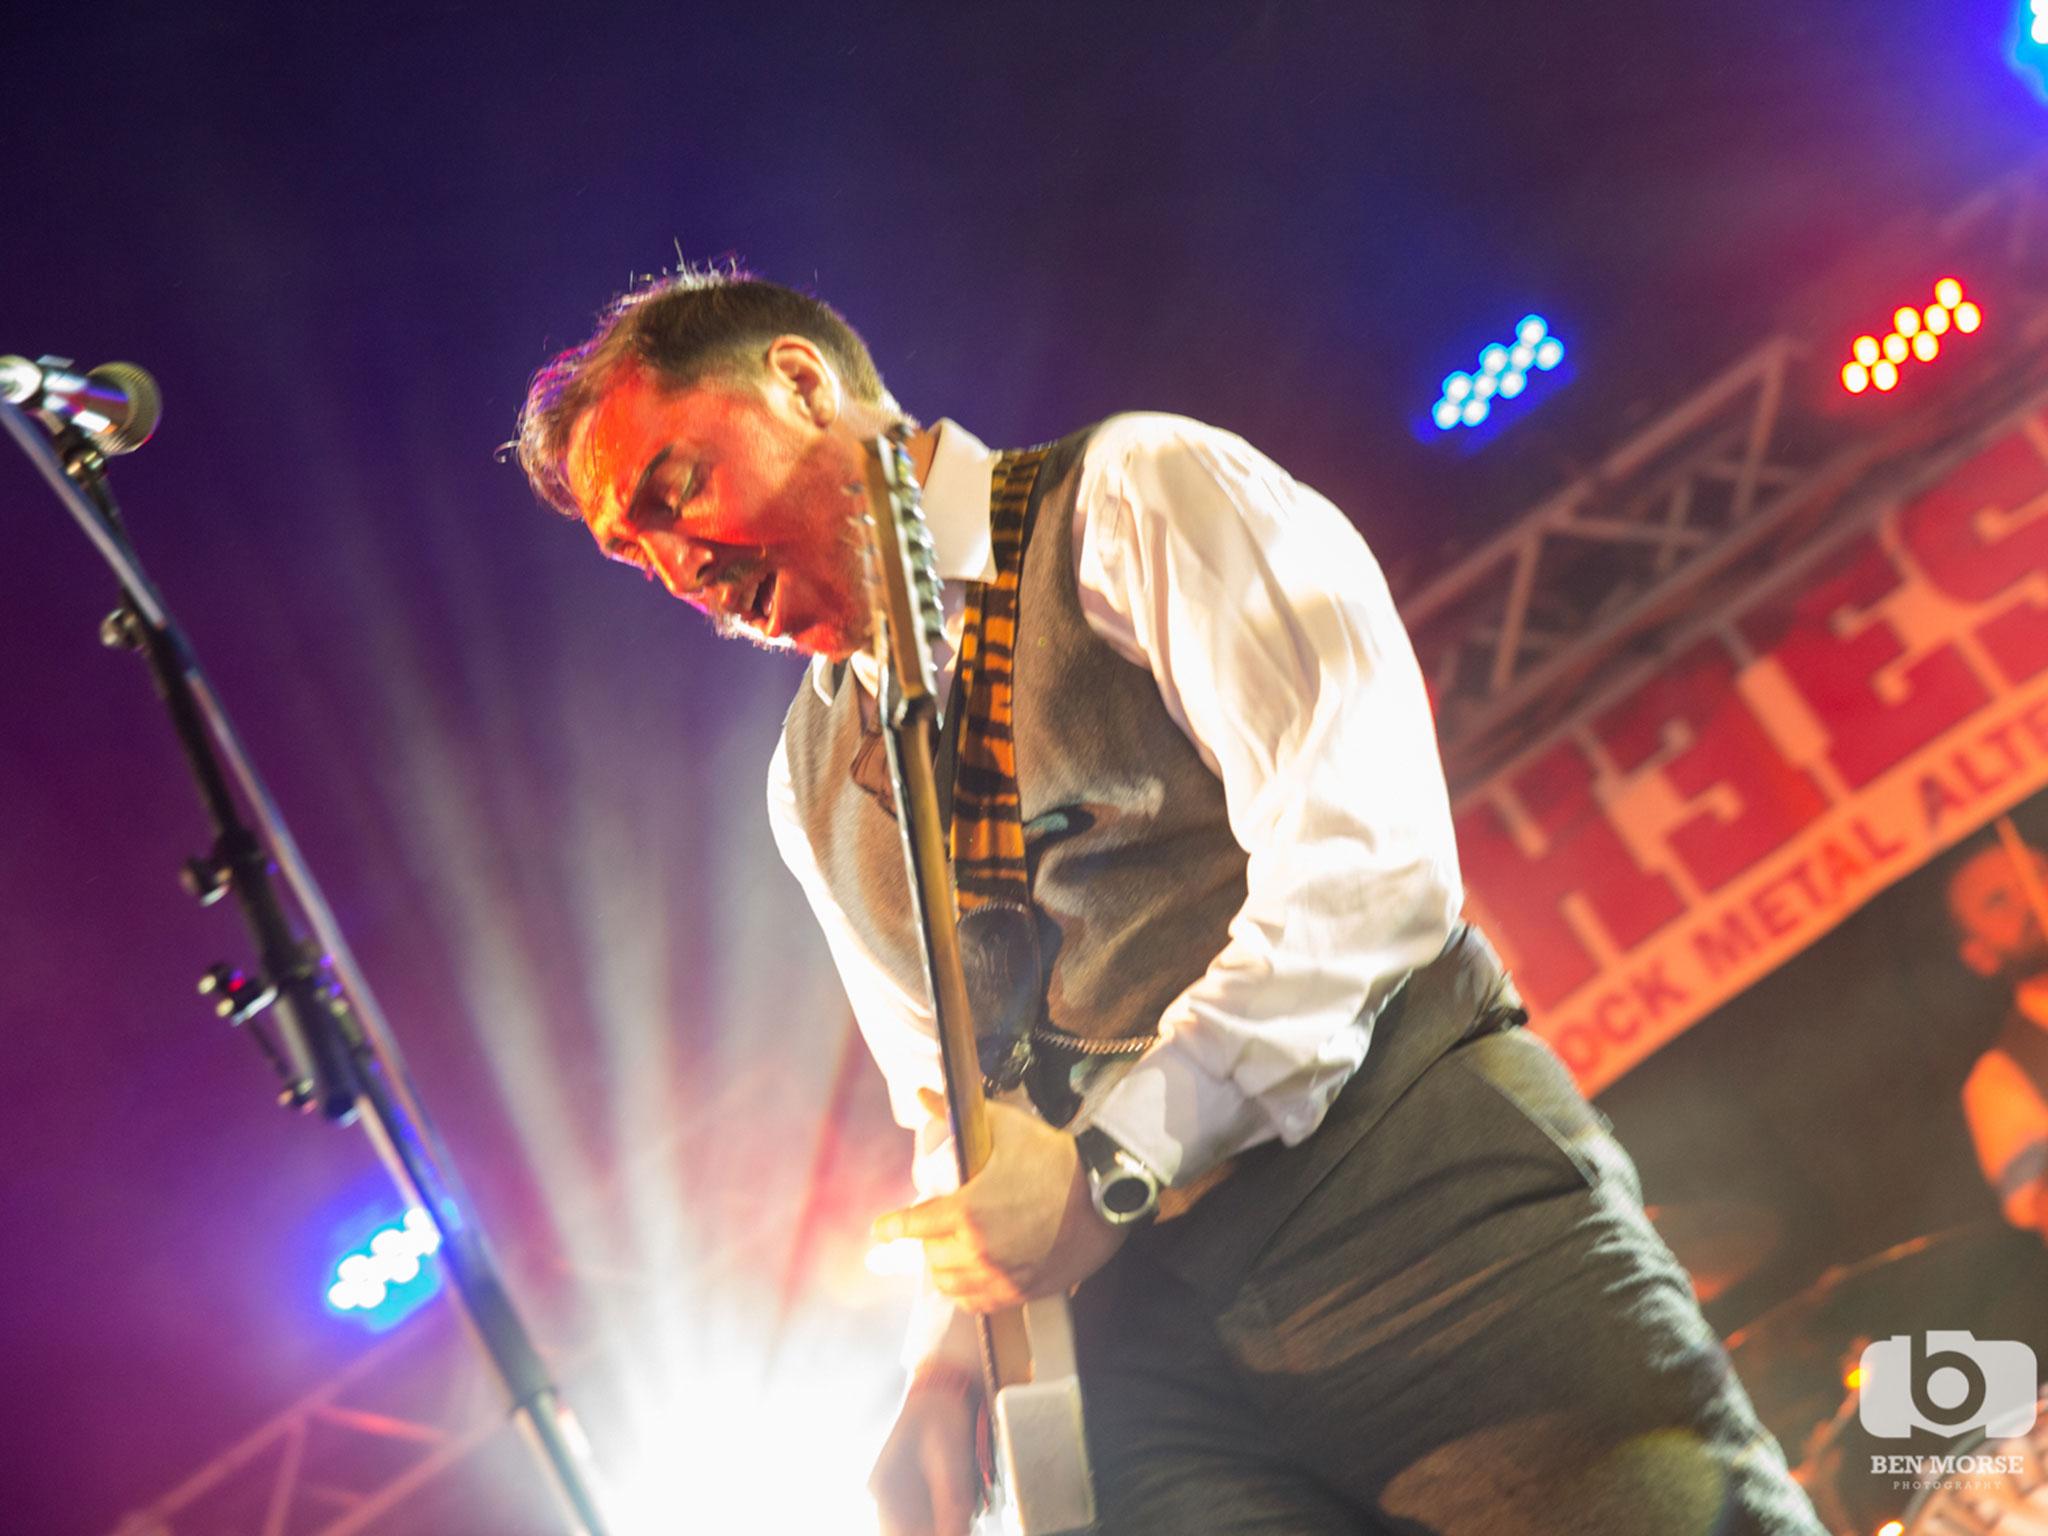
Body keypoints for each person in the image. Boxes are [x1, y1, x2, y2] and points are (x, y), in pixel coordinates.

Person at [515, 268, 1824, 1535]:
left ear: (799, 384)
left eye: (675, 489)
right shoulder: (808, 786)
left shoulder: (1136, 492)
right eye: (635, 556)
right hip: (1144, 1379)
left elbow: (1365, 864)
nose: (677, 569)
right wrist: (947, 1368)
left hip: (1418, 1225)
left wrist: (1114, 1164)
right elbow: (954, 1107)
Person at [1943, 832, 2048, 1244]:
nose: (2028, 895)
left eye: (2038, 873)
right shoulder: (1999, 1079)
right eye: (1998, 901)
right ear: (1980, 955)